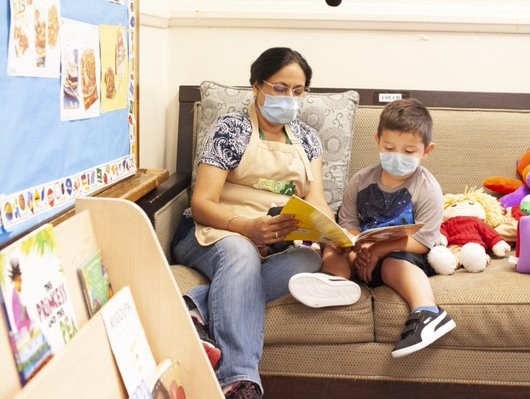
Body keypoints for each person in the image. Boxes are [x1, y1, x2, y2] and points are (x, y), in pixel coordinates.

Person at [172, 47, 332, 399]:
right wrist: (246, 228)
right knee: (242, 253)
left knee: (310, 260)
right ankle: (238, 378)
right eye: (279, 88)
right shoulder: (232, 129)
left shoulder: (307, 139)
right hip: (213, 233)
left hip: (272, 243)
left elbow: (316, 199)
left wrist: (330, 229)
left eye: (298, 91)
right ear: (256, 86)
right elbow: (201, 204)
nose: (289, 98)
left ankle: (196, 305)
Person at [289, 98, 456, 357]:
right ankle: (333, 283)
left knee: (393, 263)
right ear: (377, 140)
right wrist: (357, 247)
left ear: (427, 150)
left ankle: (427, 312)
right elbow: (350, 225)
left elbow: (423, 241)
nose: (397, 156)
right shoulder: (361, 180)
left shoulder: (427, 187)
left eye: (409, 151)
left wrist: (379, 250)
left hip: (404, 254)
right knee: (335, 248)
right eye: (389, 147)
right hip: (363, 250)